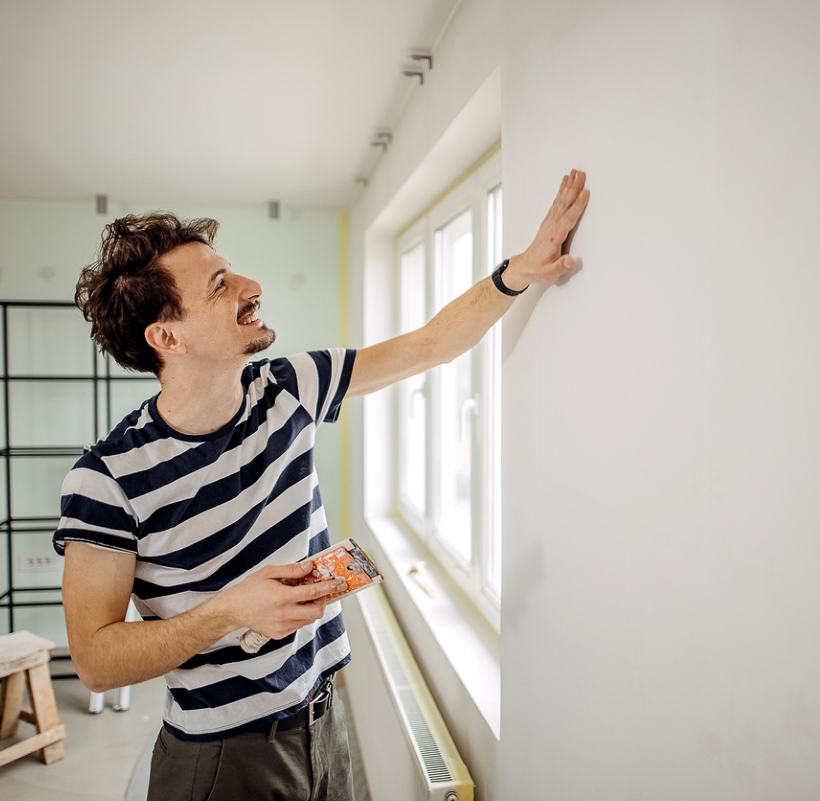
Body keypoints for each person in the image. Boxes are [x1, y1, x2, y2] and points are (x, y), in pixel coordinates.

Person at [54, 170, 589, 801]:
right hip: (221, 761)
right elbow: (96, 661)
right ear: (167, 338)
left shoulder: (288, 388)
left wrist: (519, 273)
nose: (253, 288)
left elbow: (431, 345)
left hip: (324, 717)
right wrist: (228, 611)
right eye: (221, 286)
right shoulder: (107, 479)